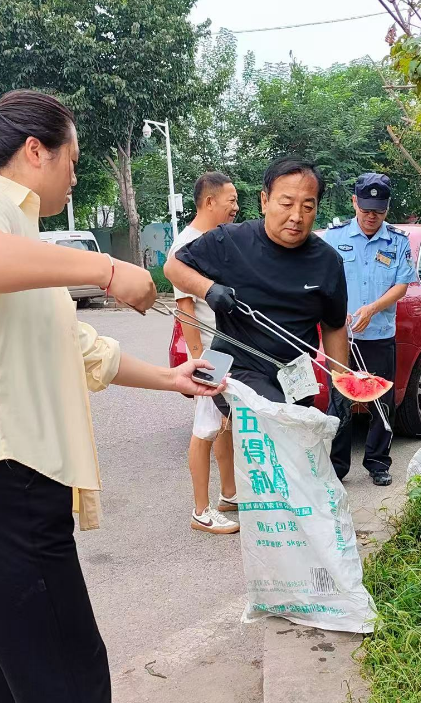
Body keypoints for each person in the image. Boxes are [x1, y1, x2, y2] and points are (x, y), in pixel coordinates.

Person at [0, 89, 224, 703]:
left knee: (22, 682)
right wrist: (104, 269)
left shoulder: (22, 239)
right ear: (37, 151)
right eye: (72, 159)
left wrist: (172, 378)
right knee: (71, 681)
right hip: (5, 484)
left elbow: (81, 349)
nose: (75, 174)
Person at [164, 156, 350, 414]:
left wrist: (341, 387)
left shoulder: (328, 262)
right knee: (280, 422)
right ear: (265, 201)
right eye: (286, 204)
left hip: (295, 379)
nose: (296, 216)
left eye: (308, 207)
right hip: (236, 372)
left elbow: (334, 326)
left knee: (298, 428)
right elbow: (173, 267)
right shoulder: (230, 240)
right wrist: (208, 289)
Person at [322, 173, 417, 486]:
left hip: (379, 335)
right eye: (365, 209)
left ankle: (378, 463)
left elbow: (402, 284)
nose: (371, 216)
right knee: (339, 402)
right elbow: (321, 281)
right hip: (341, 337)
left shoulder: (397, 242)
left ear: (387, 208)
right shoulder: (333, 238)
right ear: (354, 203)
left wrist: (372, 309)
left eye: (378, 210)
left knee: (382, 402)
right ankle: (337, 467)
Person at [166, 172, 242, 534]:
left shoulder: (218, 240)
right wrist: (200, 364)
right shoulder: (186, 247)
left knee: (224, 424)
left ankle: (229, 493)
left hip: (226, 348)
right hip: (210, 355)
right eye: (231, 200)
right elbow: (186, 312)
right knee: (205, 428)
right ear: (210, 202)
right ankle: (201, 511)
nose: (236, 206)